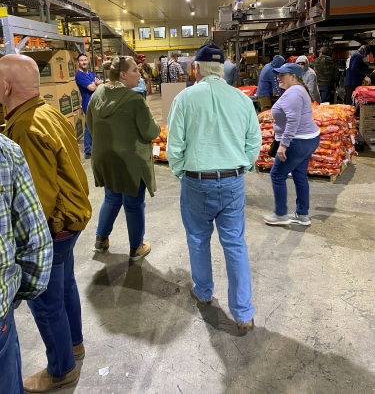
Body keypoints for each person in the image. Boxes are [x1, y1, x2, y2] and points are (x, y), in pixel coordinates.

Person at [0, 54, 92, 393]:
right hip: (71, 221)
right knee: (65, 287)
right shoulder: (47, 110)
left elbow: (38, 200)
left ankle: (62, 369)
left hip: (55, 227)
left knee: (46, 301)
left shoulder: (24, 128)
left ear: (6, 86)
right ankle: (75, 345)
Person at [167, 43, 262, 333]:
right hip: (232, 180)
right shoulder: (242, 99)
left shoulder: (184, 99)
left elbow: (175, 146)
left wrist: (181, 171)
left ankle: (204, 292)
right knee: (235, 244)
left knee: (198, 239)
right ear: (223, 69)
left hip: (197, 180)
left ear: (196, 68)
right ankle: (243, 313)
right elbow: (253, 142)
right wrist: (242, 166)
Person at [86, 56, 160, 259]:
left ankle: (101, 240)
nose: (140, 74)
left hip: (106, 159)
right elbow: (151, 132)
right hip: (131, 163)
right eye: (135, 70)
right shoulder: (135, 100)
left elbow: (90, 125)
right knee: (133, 204)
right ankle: (136, 247)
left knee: (111, 198)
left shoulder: (98, 93)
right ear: (123, 74)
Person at [0, 134, 53, 394]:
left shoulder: (20, 131)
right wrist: (12, 296)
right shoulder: (6, 149)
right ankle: (65, 363)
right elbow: (35, 242)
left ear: (7, 89)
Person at [263, 63, 320, 227]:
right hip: (309, 139)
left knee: (277, 175)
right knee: (299, 175)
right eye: (278, 75)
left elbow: (293, 121)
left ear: (293, 76)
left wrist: (284, 144)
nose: (278, 78)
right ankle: (302, 214)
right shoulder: (299, 90)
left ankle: (280, 214)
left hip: (297, 141)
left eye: (282, 75)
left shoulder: (293, 94)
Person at [75, 53, 103, 158]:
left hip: (95, 101)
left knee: (93, 125)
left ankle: (93, 147)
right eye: (81, 60)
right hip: (88, 103)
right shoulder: (79, 75)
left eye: (85, 60)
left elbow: (100, 81)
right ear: (78, 63)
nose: (84, 62)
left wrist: (96, 83)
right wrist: (96, 83)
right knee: (89, 126)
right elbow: (91, 87)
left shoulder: (90, 73)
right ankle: (88, 150)